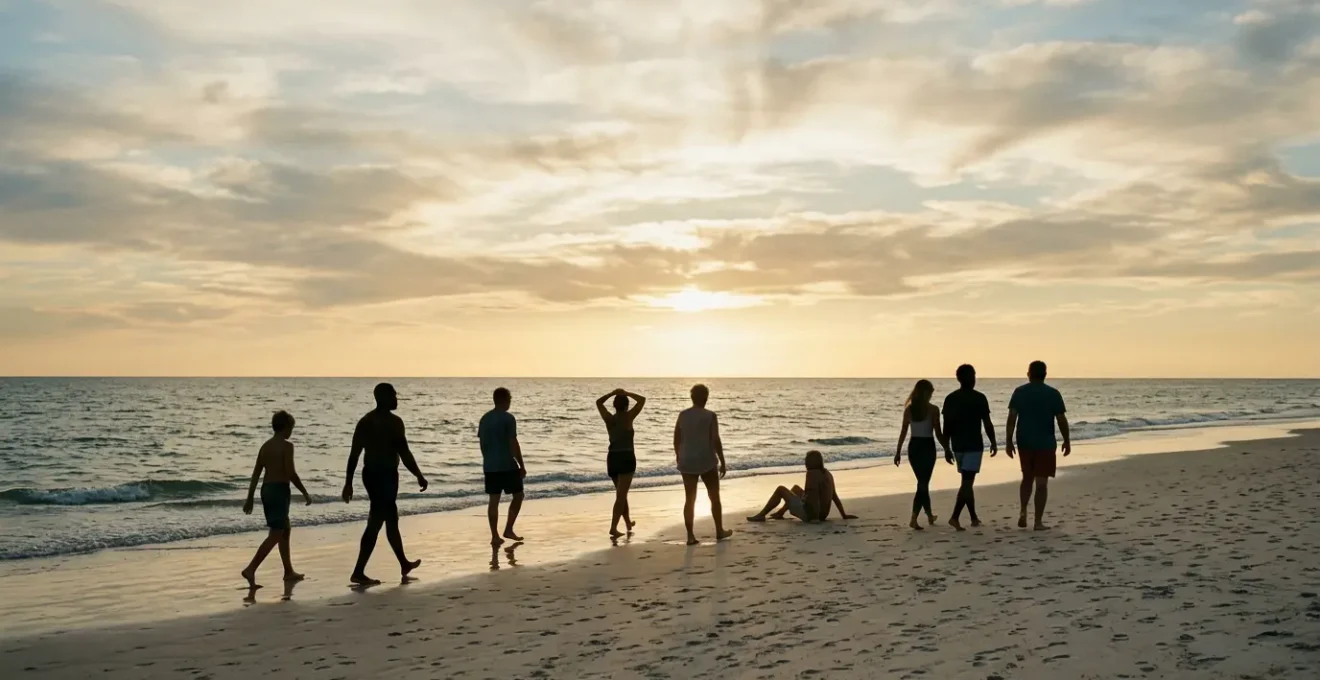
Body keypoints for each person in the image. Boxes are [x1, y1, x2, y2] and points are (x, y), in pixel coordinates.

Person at [343, 383, 428, 586]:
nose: (396, 399)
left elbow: (355, 455)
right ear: (383, 398)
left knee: (391, 519)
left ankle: (403, 563)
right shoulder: (391, 423)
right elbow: (404, 452)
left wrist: (349, 482)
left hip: (380, 475)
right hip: (380, 477)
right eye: (393, 396)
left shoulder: (366, 421)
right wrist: (418, 475)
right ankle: (358, 572)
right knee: (376, 521)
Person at [241, 410, 312, 588]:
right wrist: (304, 492)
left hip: (266, 491)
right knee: (276, 533)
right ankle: (251, 568)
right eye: (291, 428)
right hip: (279, 491)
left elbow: (256, 473)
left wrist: (249, 497)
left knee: (285, 529)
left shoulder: (265, 446)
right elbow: (291, 473)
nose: (292, 432)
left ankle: (288, 571)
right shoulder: (287, 446)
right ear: (286, 427)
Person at [1006, 361, 1070, 531]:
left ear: (1029, 374)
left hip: (1024, 441)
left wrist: (1008, 441)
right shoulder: (1053, 393)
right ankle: (1038, 522)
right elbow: (1061, 419)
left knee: (1027, 477)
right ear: (1045, 374)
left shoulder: (1019, 392)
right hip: (1045, 442)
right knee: (1041, 483)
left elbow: (1012, 418)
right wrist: (1067, 440)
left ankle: (1022, 511)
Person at [674, 384, 733, 545]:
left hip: (687, 460)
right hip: (706, 460)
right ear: (706, 398)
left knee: (689, 498)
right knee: (714, 497)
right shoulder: (710, 415)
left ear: (692, 397)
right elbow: (715, 439)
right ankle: (719, 530)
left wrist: (678, 455)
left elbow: (677, 438)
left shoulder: (683, 415)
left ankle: (690, 536)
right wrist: (722, 459)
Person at [942, 364, 998, 531]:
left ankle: (973, 517)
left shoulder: (950, 398)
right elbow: (987, 423)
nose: (974, 379)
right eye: (972, 376)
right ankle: (955, 517)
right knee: (967, 483)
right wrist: (993, 442)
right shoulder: (979, 398)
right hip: (973, 445)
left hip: (957, 445)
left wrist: (946, 448)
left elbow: (947, 427)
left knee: (967, 481)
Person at [894, 379, 951, 530]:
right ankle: (914, 518)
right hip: (927, 446)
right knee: (923, 483)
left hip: (914, 447)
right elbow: (938, 433)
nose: (932, 395)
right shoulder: (933, 410)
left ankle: (930, 515)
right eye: (931, 392)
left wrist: (898, 451)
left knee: (922, 483)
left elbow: (904, 432)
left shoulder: (909, 410)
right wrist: (947, 448)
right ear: (926, 392)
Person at [746, 450, 858, 522]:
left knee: (781, 489)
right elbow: (834, 496)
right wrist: (844, 515)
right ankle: (780, 513)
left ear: (812, 462)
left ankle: (761, 515)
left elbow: (813, 498)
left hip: (811, 514)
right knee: (795, 488)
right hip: (823, 514)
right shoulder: (828, 474)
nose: (805, 463)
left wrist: (814, 518)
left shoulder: (811, 474)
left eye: (807, 460)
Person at [479, 387, 527, 547]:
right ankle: (508, 529)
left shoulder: (484, 419)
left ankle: (494, 536)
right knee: (518, 495)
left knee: (493, 500)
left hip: (490, 465)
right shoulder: (508, 418)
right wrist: (521, 464)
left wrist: (487, 460)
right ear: (506, 400)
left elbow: (483, 444)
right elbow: (513, 443)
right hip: (507, 465)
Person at [596, 388, 645, 538]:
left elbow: (598, 402)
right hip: (626, 457)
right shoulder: (629, 416)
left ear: (615, 405)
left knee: (621, 494)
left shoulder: (609, 418)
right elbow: (642, 400)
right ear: (626, 405)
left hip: (612, 458)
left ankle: (628, 523)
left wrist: (611, 393)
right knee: (621, 495)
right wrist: (627, 393)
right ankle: (613, 527)